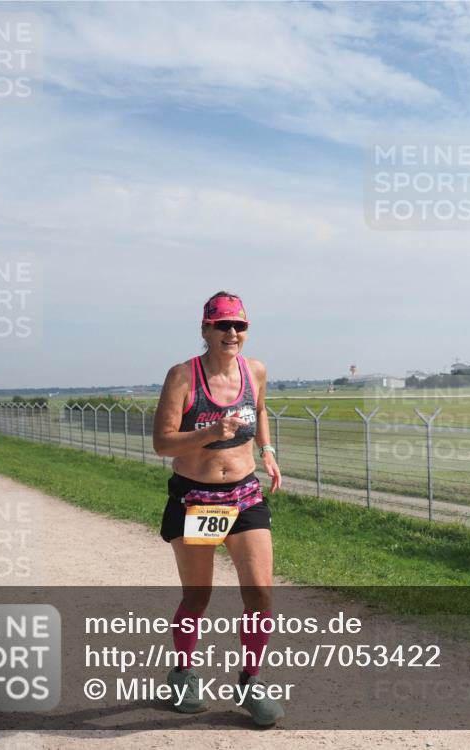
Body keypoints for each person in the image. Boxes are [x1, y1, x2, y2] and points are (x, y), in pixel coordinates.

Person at [152, 291, 284, 725]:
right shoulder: (182, 377)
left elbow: (260, 409)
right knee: (198, 596)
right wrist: (209, 433)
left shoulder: (256, 371)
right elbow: (162, 444)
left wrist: (266, 450)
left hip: (244, 495)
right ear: (205, 329)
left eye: (239, 326)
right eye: (222, 325)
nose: (232, 333)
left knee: (261, 593)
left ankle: (250, 680)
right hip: (196, 498)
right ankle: (185, 672)